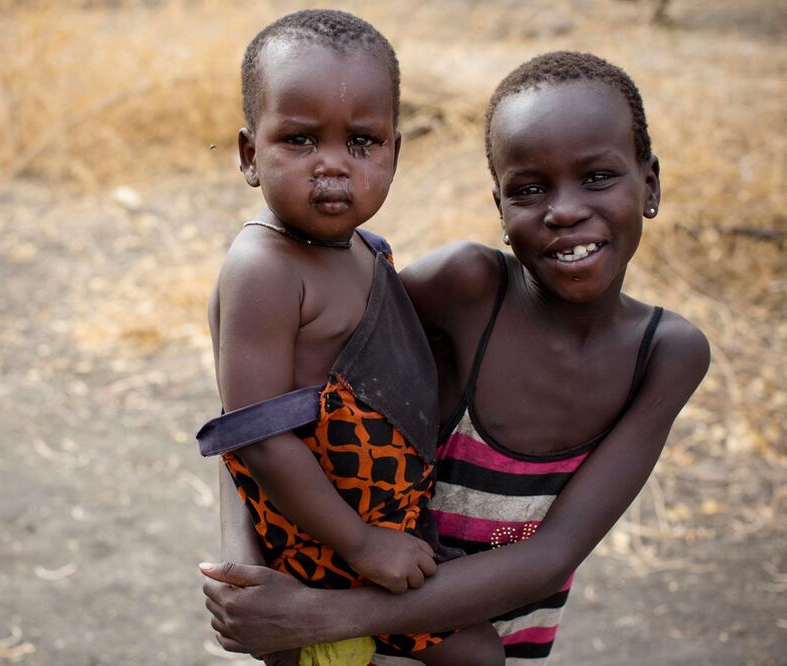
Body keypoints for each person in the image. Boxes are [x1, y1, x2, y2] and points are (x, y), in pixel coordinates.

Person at [201, 50, 711, 665]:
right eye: (528, 189)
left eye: (598, 177)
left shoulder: (665, 355)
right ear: (500, 208)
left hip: (474, 642)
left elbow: (549, 559)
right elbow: (264, 415)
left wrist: (319, 616)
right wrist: (249, 580)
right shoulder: (463, 290)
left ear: (650, 184)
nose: (566, 209)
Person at [196, 9, 504, 666]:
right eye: (300, 141)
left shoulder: (366, 249)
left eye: (361, 143)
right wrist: (363, 543)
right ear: (250, 155)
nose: (332, 167)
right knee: (466, 654)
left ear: (395, 150)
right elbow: (256, 436)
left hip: (384, 535)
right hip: (319, 552)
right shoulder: (266, 268)